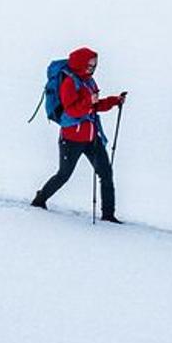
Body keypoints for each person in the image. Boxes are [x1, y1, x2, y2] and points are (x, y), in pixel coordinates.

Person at [30, 47, 126, 218]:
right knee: (64, 175)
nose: (92, 68)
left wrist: (114, 101)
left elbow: (94, 107)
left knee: (106, 173)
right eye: (89, 65)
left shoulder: (89, 81)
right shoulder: (69, 83)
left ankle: (108, 215)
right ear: (80, 63)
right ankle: (40, 199)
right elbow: (72, 111)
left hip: (91, 138)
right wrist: (89, 101)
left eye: (94, 65)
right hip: (71, 138)